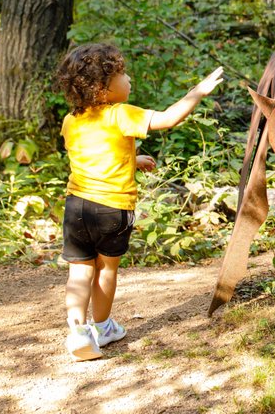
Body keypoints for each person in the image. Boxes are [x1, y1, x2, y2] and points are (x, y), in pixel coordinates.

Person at [54, 43, 223, 360]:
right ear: (103, 88)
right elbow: (169, 118)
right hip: (112, 209)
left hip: (76, 206)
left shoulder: (70, 121)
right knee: (105, 270)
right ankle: (103, 328)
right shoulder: (120, 114)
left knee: (79, 272)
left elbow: (94, 157)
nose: (129, 79)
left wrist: (132, 159)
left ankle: (78, 333)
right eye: (122, 74)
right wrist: (197, 92)